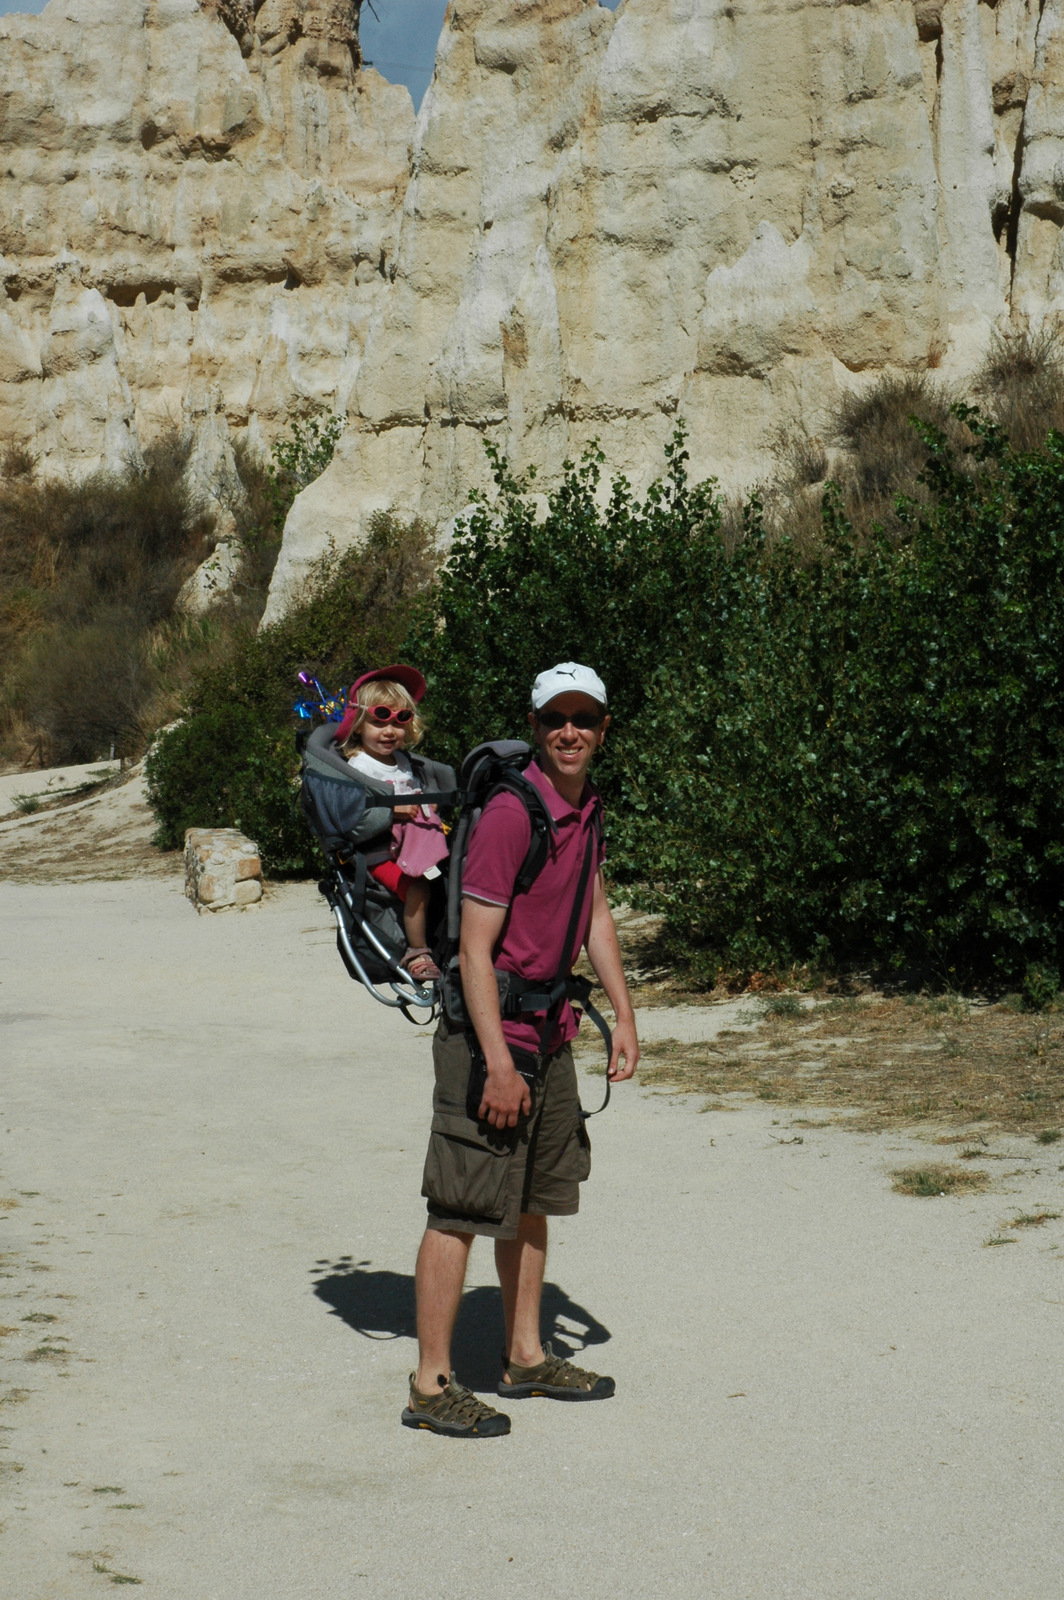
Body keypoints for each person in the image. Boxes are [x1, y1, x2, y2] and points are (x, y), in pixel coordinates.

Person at [401, 662, 640, 1437]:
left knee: (535, 1198)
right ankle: (431, 1385)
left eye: (584, 718)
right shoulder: (512, 814)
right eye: (555, 719)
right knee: (461, 1207)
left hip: (552, 1031)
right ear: (535, 727)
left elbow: (593, 912)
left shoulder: (587, 808)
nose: (570, 731)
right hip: (490, 1039)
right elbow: (475, 951)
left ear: (603, 729)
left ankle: (526, 1356)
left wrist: (624, 1014)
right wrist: (498, 1064)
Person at [334, 665, 448, 983]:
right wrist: (392, 811)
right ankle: (417, 953)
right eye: (379, 720)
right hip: (378, 854)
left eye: (400, 721)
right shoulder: (359, 767)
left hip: (410, 845)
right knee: (417, 888)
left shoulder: (403, 763)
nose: (389, 731)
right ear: (358, 724)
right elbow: (352, 812)